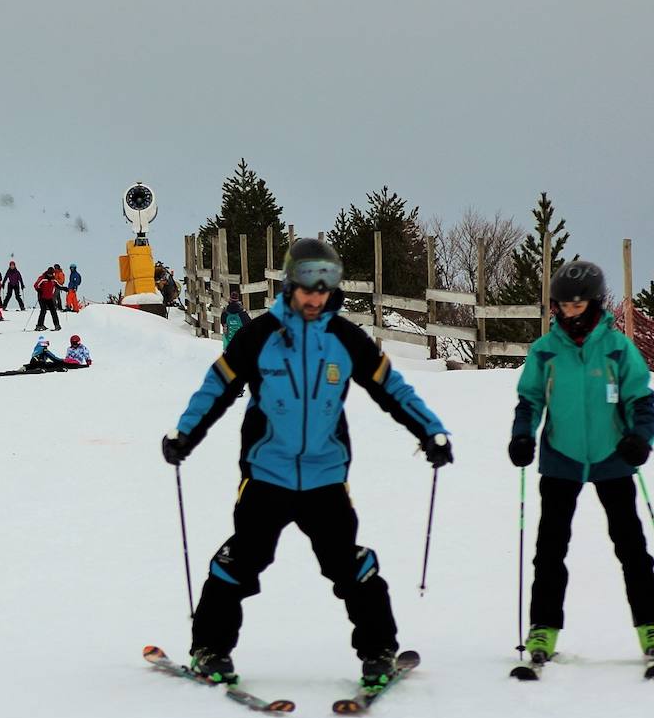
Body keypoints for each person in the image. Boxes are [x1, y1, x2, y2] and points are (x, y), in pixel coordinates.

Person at [160, 238, 453, 689]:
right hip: (266, 473)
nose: (316, 296)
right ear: (291, 284)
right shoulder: (258, 336)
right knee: (240, 561)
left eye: (326, 285)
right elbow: (215, 388)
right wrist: (186, 434)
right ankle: (210, 650)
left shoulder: (344, 339)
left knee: (348, 565)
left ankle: (379, 652)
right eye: (308, 286)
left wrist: (429, 431)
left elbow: (391, 388)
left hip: (325, 476)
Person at [510, 260, 654, 666]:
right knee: (549, 550)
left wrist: (639, 438)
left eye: (578, 305)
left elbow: (640, 399)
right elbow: (529, 399)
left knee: (631, 548)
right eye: (564, 305)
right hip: (561, 458)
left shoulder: (617, 347)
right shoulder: (545, 351)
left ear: (594, 304)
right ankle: (542, 629)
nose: (571, 312)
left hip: (612, 458)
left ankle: (652, 625)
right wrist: (522, 435)